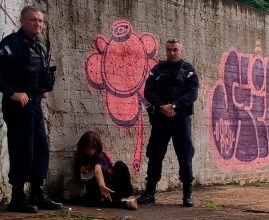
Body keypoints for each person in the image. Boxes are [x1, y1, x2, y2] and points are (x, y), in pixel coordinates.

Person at [0, 6, 62, 213]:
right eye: (34, 20)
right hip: (19, 106)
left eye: (41, 21)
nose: (38, 24)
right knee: (22, 150)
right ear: (22, 21)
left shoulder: (39, 47)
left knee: (41, 149)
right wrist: (12, 92)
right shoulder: (12, 43)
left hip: (35, 105)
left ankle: (38, 193)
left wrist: (43, 89)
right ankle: (17, 198)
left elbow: (39, 73)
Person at [137, 39, 199, 207]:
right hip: (161, 118)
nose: (172, 53)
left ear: (181, 50)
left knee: (185, 155)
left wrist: (174, 105)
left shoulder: (189, 70)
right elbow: (148, 90)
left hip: (180, 118)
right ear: (166, 50)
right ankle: (149, 193)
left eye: (175, 50)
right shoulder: (158, 69)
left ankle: (187, 195)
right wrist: (160, 106)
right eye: (169, 50)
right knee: (155, 154)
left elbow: (193, 93)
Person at [75, 131, 138, 210]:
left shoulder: (99, 155)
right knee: (89, 201)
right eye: (88, 148)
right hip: (98, 191)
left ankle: (127, 198)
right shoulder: (81, 156)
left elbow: (98, 169)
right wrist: (82, 169)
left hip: (111, 187)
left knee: (120, 165)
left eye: (93, 148)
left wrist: (102, 186)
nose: (91, 151)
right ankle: (124, 203)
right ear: (83, 147)